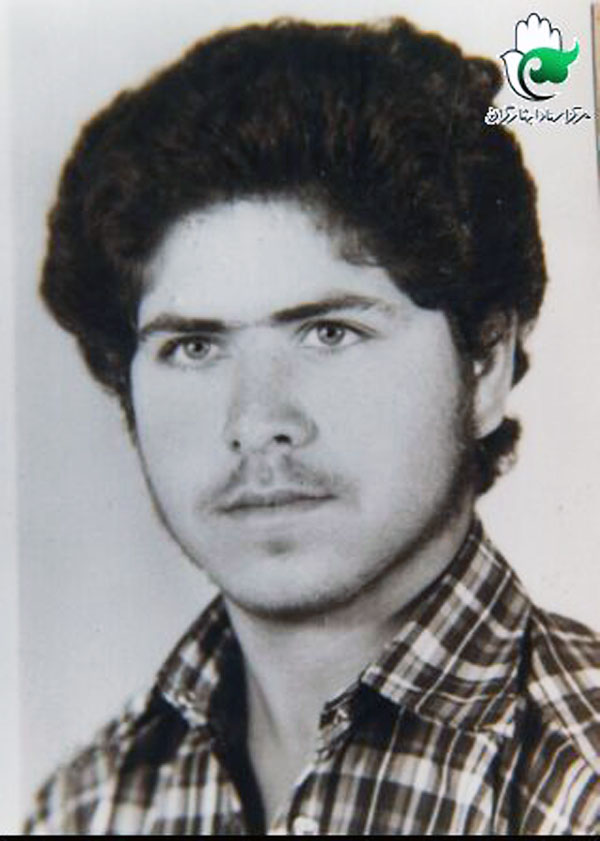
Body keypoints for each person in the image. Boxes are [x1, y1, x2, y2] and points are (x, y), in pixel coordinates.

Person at [25, 16, 599, 835]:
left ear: (485, 366)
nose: (257, 421)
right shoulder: (86, 807)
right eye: (194, 347)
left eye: (329, 332)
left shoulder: (581, 785)